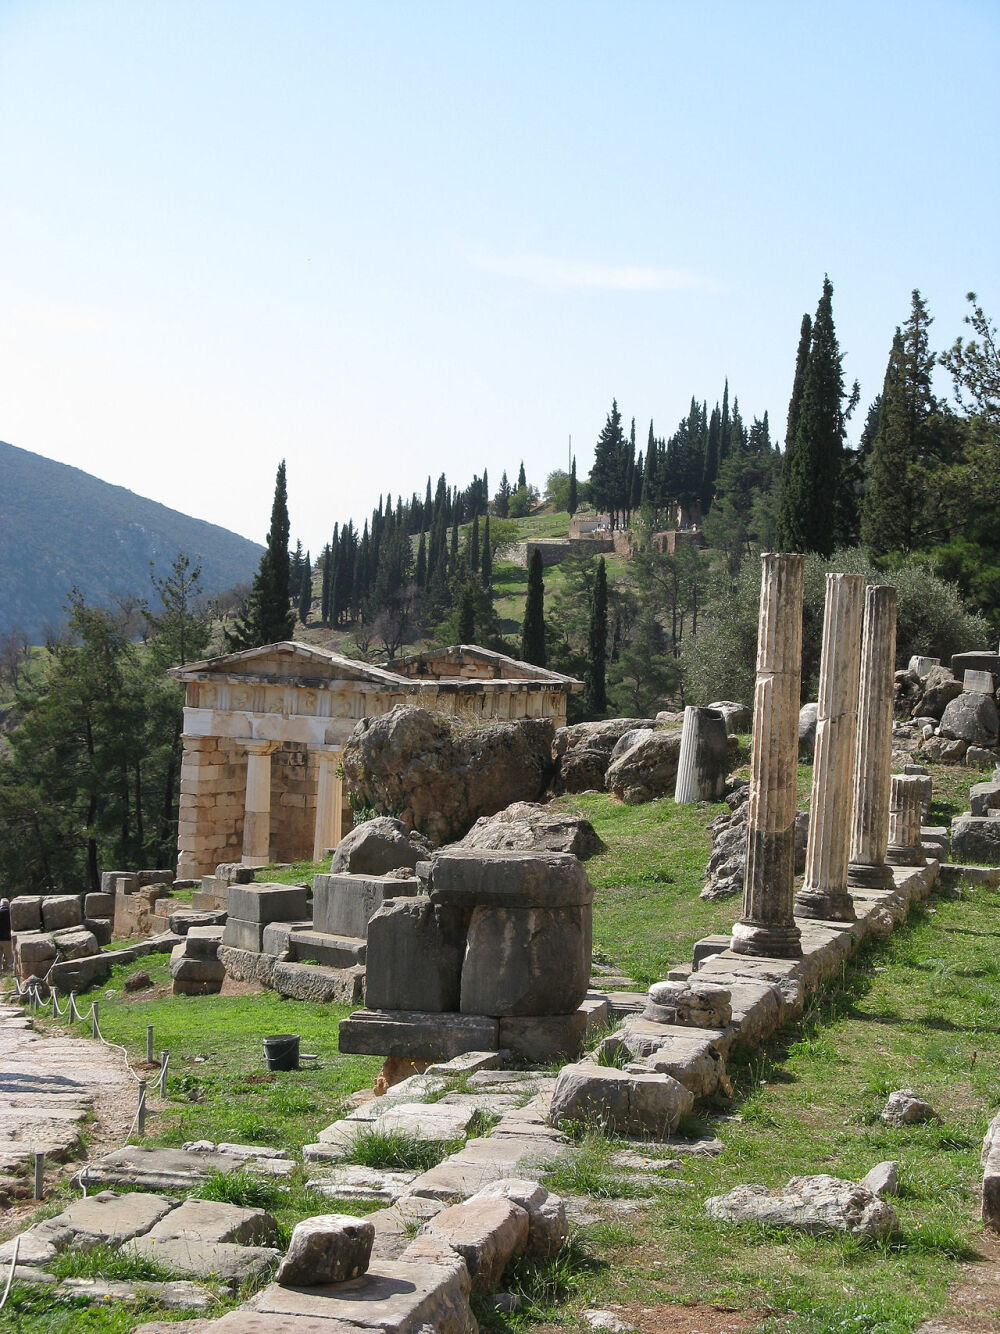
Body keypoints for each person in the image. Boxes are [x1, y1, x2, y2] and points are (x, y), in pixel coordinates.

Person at [0, 899, 11, 973]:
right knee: (8, 957)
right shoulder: (10, 913)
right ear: (8, 905)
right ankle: (6, 972)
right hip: (7, 938)